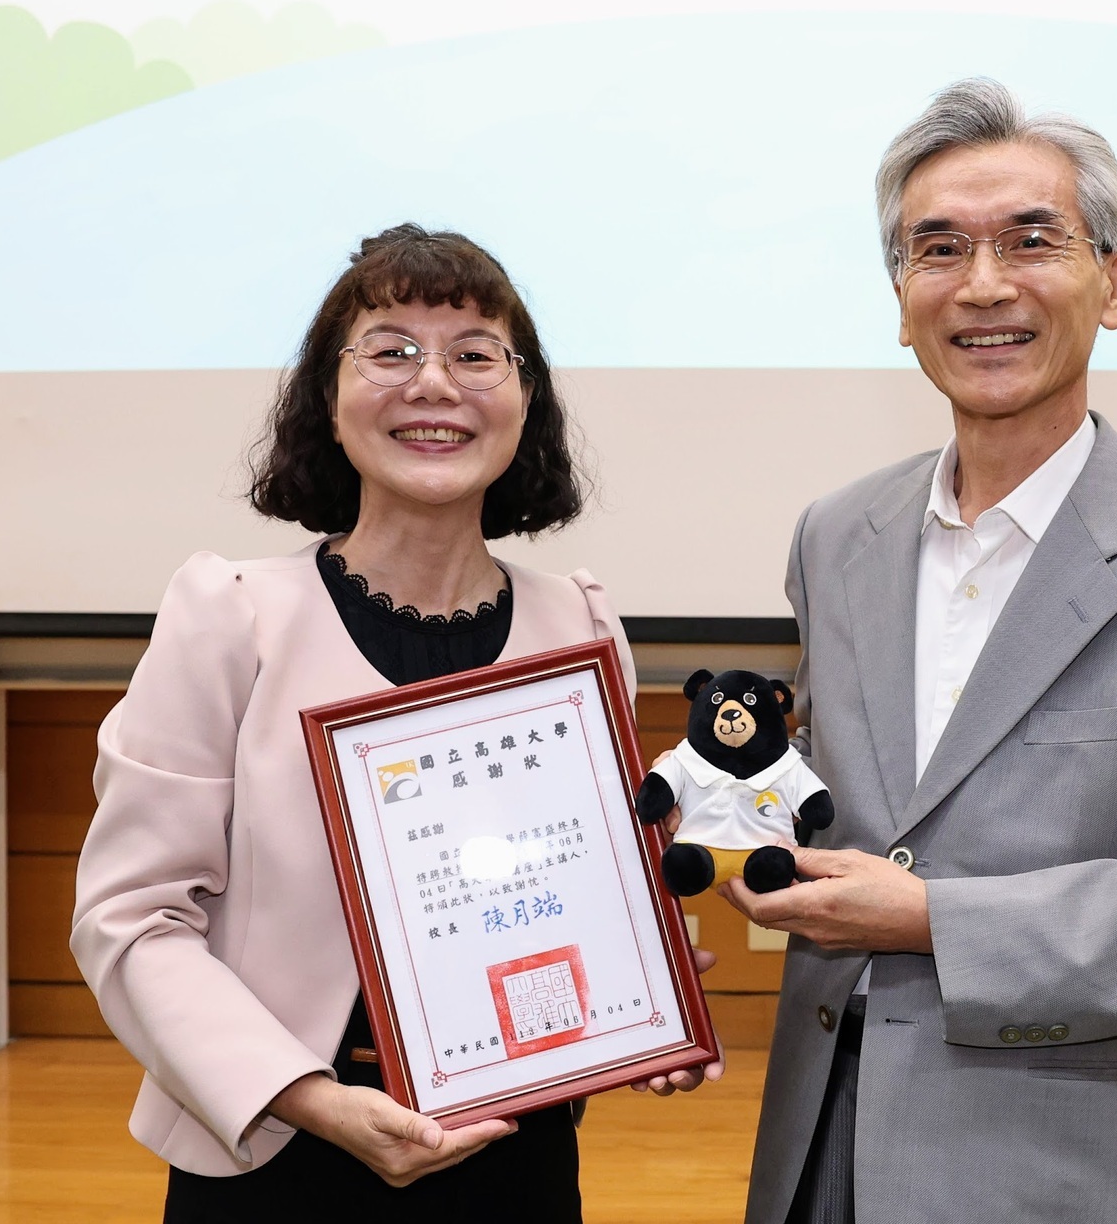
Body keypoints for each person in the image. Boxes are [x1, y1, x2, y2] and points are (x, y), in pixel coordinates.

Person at [719, 80, 1117, 1223]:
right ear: (900, 298)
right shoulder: (836, 534)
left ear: (1112, 283)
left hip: (1056, 1162)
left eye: (1031, 241)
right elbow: (824, 790)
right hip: (819, 1149)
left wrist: (933, 920)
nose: (984, 285)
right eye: (939, 249)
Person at [71, 225, 717, 1221]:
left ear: (524, 399)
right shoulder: (232, 615)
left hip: (518, 1154)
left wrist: (642, 995)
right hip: (274, 1153)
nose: (434, 383)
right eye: (390, 350)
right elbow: (132, 918)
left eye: (475, 353)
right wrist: (312, 1099)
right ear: (327, 401)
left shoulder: (578, 624)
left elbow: (577, 887)